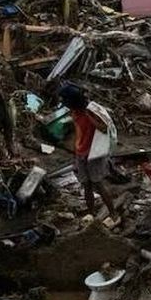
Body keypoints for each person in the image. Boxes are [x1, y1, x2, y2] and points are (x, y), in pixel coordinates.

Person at [59, 84, 116, 216]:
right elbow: (79, 130)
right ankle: (91, 215)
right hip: (81, 151)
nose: (63, 103)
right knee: (87, 185)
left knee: (98, 184)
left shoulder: (90, 111)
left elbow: (103, 128)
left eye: (64, 100)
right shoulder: (74, 111)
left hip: (94, 153)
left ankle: (113, 213)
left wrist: (88, 115)